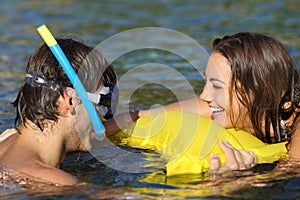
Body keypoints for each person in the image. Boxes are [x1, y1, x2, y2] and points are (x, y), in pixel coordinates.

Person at [115, 32, 300, 172]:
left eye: (217, 86)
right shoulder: (216, 106)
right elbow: (144, 114)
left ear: (263, 94)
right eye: (206, 83)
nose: (204, 96)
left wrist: (236, 180)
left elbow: (290, 172)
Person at [0, 37, 119, 186]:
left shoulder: (7, 138)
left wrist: (139, 115)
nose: (102, 116)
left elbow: (103, 130)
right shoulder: (55, 182)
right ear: (70, 100)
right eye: (101, 102)